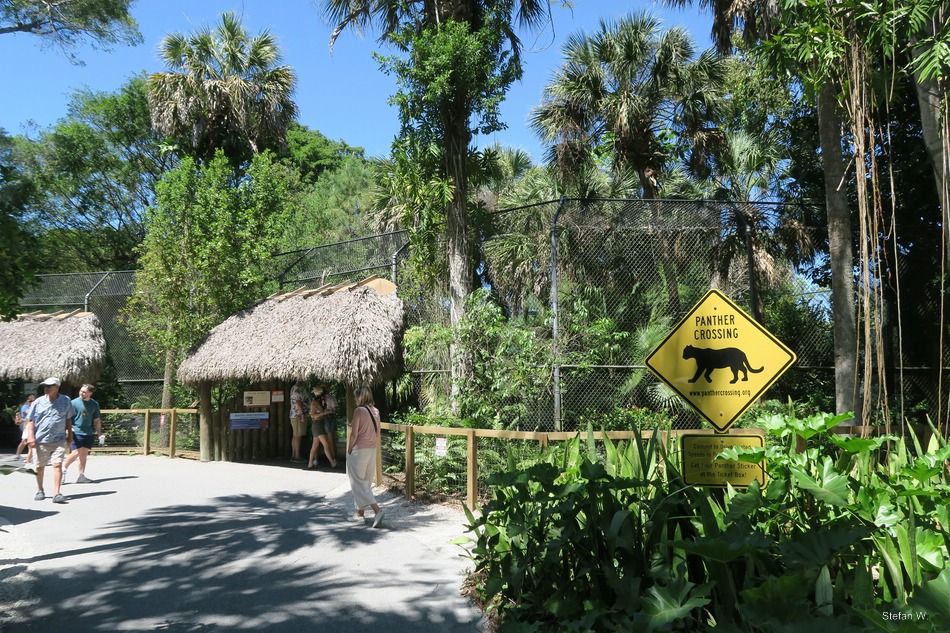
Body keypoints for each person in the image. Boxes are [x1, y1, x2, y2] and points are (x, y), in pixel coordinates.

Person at [24, 377, 74, 504]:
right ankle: (40, 490)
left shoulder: (65, 400)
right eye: (45, 386)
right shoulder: (38, 402)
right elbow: (31, 421)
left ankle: (56, 493)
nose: (46, 388)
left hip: (59, 439)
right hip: (41, 439)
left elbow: (68, 419)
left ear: (57, 387)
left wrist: (70, 436)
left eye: (49, 386)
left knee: (57, 465)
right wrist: (30, 437)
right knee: (39, 467)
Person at [346, 385, 385, 528]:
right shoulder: (376, 411)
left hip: (359, 451)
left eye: (356, 396)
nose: (355, 399)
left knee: (358, 483)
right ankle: (360, 514)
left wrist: (349, 448)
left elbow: (354, 434)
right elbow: (378, 433)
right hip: (371, 449)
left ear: (360, 396)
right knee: (366, 482)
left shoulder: (359, 411)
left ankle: (377, 510)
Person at [61, 384, 102, 483]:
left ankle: (81, 475)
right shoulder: (73, 403)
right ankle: (63, 469)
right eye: (81, 391)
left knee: (83, 454)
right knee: (76, 452)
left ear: (90, 393)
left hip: (88, 432)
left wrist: (99, 433)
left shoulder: (94, 404)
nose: (81, 393)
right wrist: (68, 428)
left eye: (84, 392)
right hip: (76, 431)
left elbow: (96, 420)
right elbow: (66, 417)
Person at [306, 385, 337, 469]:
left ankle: (310, 463)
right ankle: (332, 462)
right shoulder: (314, 403)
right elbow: (313, 415)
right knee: (326, 444)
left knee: (315, 445)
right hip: (317, 425)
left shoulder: (319, 402)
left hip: (319, 424)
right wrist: (323, 413)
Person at [289, 380, 308, 462]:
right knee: (298, 435)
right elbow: (297, 401)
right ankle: (297, 456)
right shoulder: (298, 388)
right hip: (298, 415)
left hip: (294, 414)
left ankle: (294, 455)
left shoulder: (294, 387)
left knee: (295, 435)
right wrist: (302, 414)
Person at [15, 394, 35, 463]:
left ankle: (29, 457)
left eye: (33, 401)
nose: (31, 402)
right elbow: (29, 413)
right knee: (24, 441)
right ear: (27, 400)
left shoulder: (33, 406)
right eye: (30, 401)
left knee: (28, 441)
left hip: (32, 424)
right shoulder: (25, 406)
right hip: (25, 424)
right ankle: (18, 455)